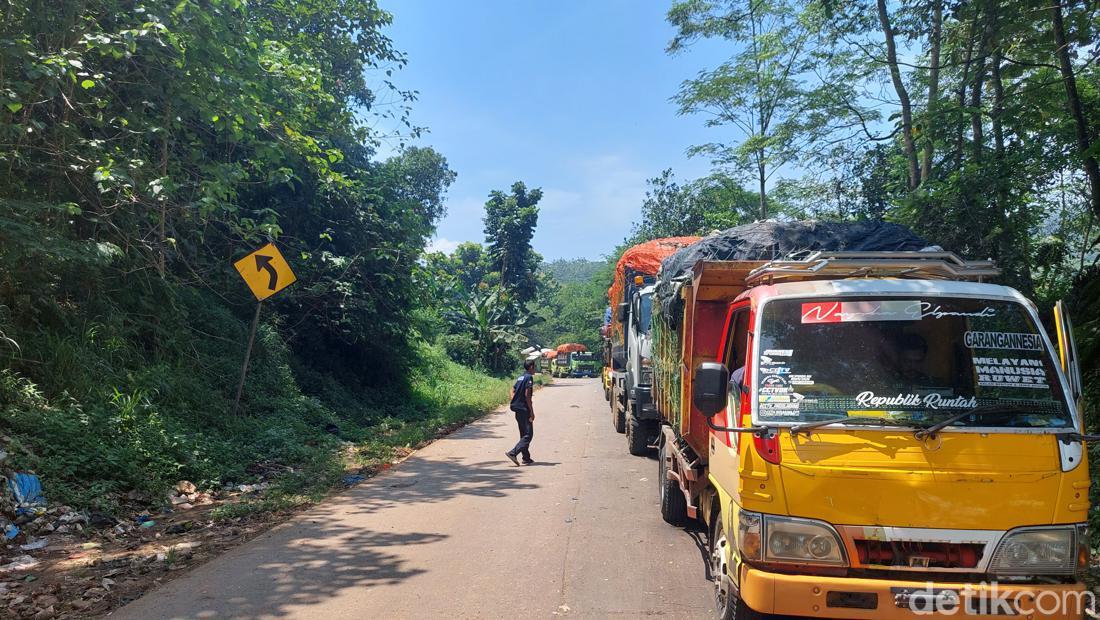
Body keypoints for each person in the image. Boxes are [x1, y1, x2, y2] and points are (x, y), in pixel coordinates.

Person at [505, 360, 536, 466]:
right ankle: (513, 453)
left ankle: (526, 457)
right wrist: (531, 411)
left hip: (517, 409)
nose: (535, 369)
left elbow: (512, 389)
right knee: (528, 435)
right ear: (531, 367)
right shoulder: (529, 378)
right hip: (524, 409)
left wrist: (514, 400)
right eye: (534, 367)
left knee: (523, 433)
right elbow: (527, 395)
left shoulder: (520, 377)